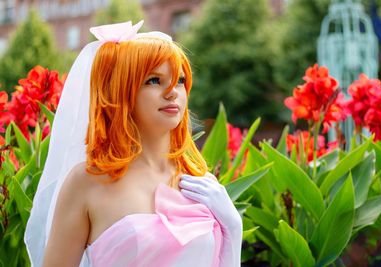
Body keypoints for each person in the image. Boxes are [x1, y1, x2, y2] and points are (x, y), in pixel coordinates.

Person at [24, 20, 242, 267]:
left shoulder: (202, 184)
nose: (172, 92)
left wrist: (233, 227)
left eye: (179, 80)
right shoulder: (87, 182)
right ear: (119, 91)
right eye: (153, 81)